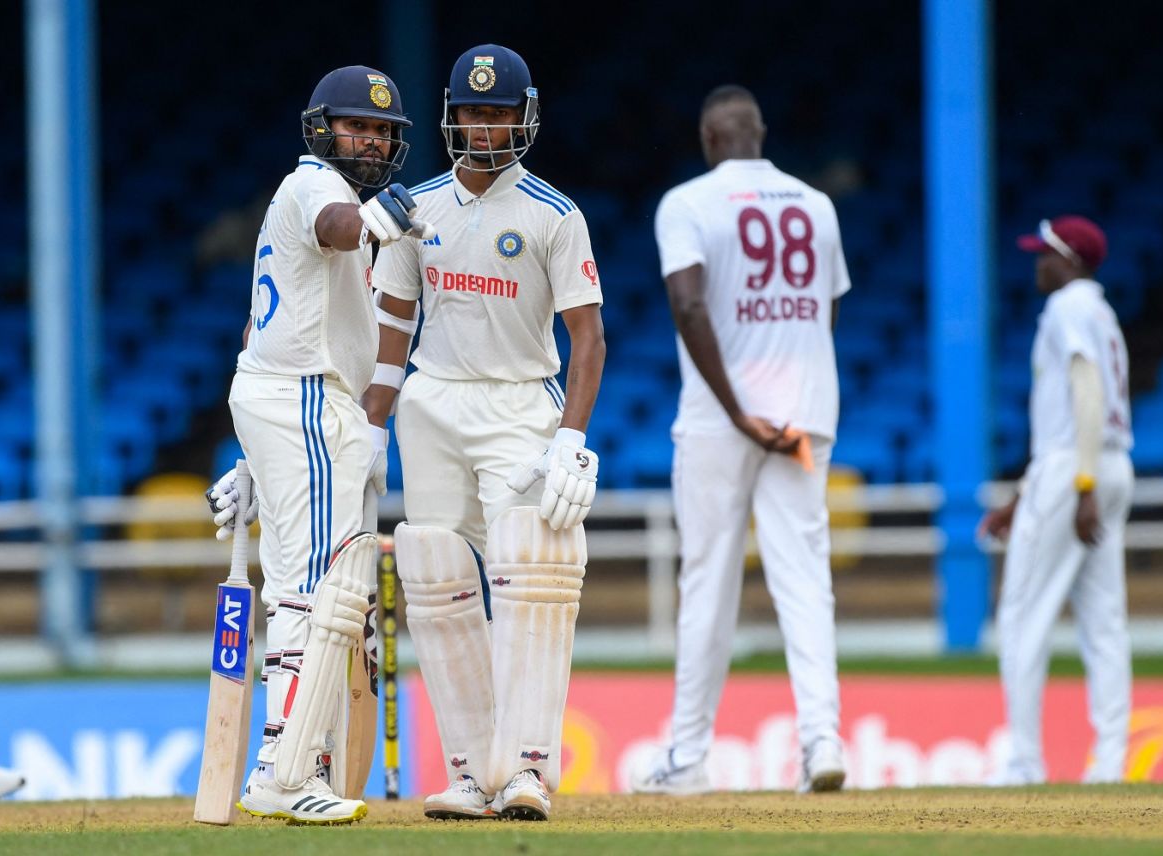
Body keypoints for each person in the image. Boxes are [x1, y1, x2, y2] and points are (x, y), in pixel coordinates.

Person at [362, 44, 606, 822]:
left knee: (532, 574)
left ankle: (529, 767)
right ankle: (471, 771)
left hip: (518, 405)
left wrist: (570, 436)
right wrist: (373, 425)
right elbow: (393, 320)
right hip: (432, 404)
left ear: (523, 117)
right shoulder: (416, 207)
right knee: (436, 576)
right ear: (451, 116)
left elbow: (588, 338)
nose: (485, 126)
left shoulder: (554, 214)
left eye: (498, 112)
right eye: (473, 112)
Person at [205, 64, 432, 824]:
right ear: (321, 129)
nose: (368, 139)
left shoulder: (319, 195)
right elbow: (340, 231)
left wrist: (254, 459)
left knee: (306, 586)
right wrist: (379, 221)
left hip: (288, 397)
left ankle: (286, 752)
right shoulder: (318, 190)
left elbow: (260, 327)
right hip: (304, 397)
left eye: (381, 130)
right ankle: (281, 771)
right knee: (312, 589)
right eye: (355, 125)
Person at [631, 85, 849, 796]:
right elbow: (827, 309)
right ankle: (822, 742)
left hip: (720, 420)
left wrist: (737, 409)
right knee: (804, 576)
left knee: (707, 583)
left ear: (708, 137)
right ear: (761, 131)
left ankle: (687, 759)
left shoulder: (687, 203)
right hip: (803, 419)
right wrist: (794, 395)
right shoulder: (817, 205)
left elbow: (689, 305)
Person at [979, 215, 1133, 785]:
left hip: (1078, 469)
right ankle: (1111, 762)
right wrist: (1024, 496)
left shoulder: (1066, 308)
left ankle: (1023, 761)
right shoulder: (1102, 312)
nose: (1037, 262)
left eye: (1045, 253)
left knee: (1021, 614)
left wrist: (1082, 485)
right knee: (1104, 621)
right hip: (1111, 463)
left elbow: (1085, 391)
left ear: (1069, 259)